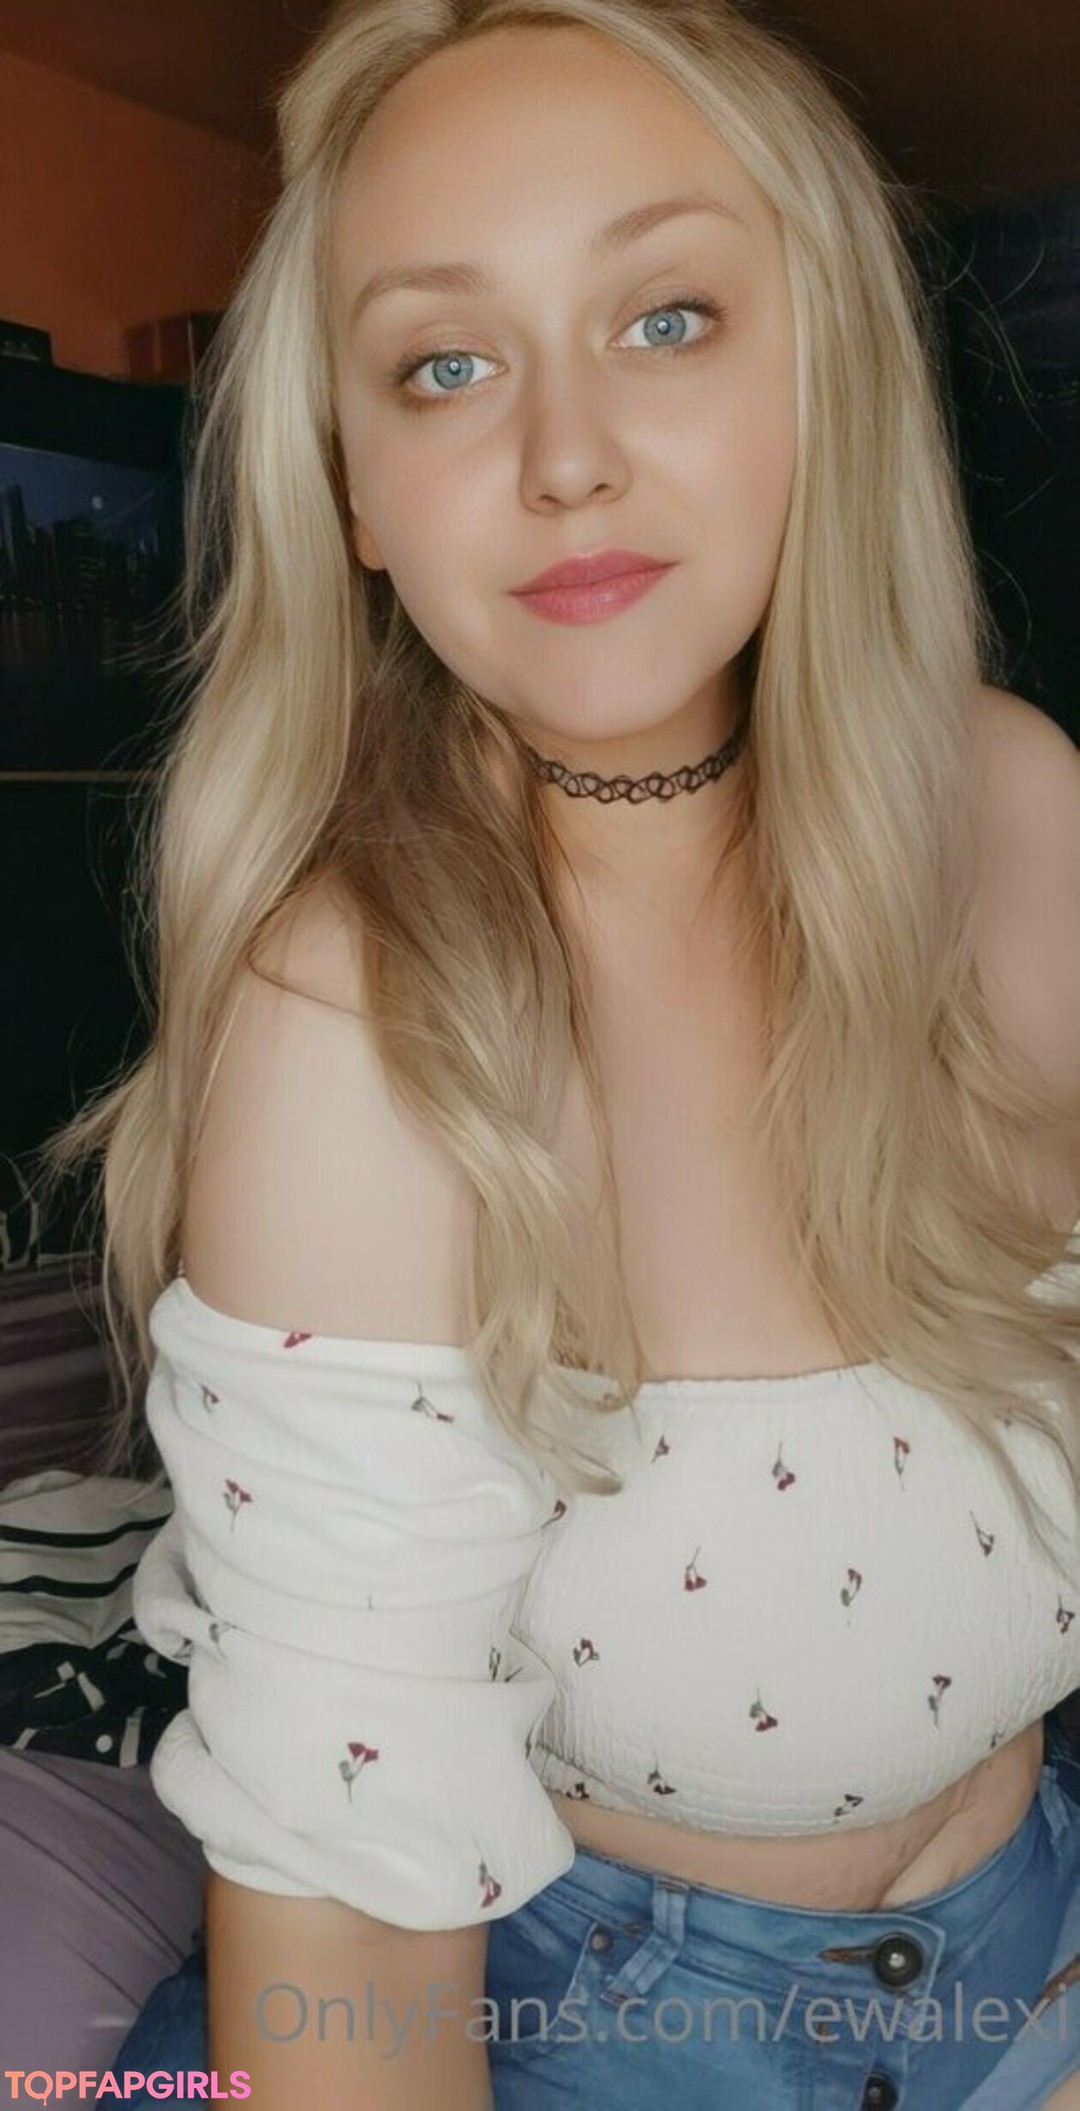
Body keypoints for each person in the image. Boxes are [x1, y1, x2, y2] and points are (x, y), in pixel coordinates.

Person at [40, 0, 1080, 2105]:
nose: (566, 455)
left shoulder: (1016, 804)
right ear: (354, 491)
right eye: (446, 363)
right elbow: (350, 1931)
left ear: (825, 371)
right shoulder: (352, 1014)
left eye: (668, 319)